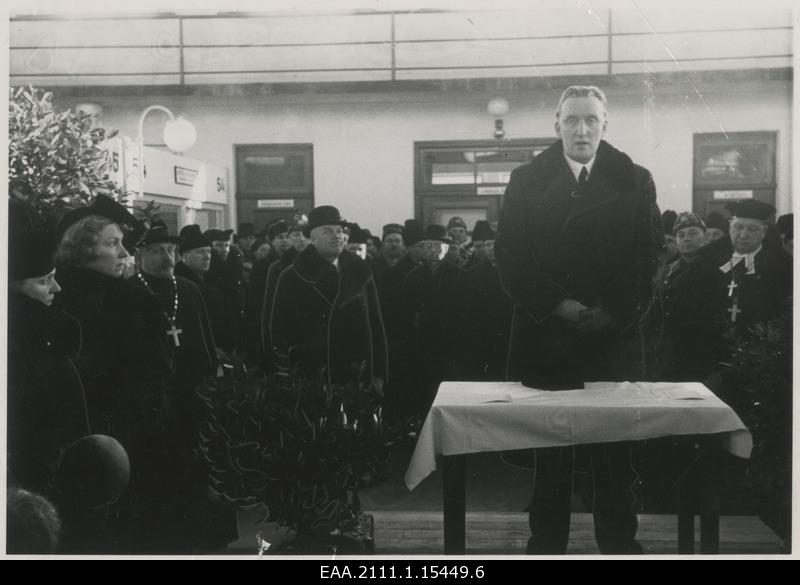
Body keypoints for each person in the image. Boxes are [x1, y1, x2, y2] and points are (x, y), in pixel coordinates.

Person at [495, 85, 663, 554]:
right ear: (557, 125)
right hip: (548, 335)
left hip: (611, 339)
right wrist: (556, 303)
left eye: (591, 119)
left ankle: (620, 548)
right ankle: (546, 548)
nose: (581, 129)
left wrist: (612, 312)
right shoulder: (526, 179)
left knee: (615, 460)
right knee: (551, 460)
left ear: (605, 124)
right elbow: (510, 256)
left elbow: (648, 259)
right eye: (572, 120)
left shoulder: (635, 179)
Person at [54, 194, 177, 552]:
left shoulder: (53, 293)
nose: (123, 253)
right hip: (128, 435)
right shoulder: (133, 301)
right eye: (112, 243)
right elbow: (158, 371)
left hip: (74, 435)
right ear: (82, 248)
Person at [7, 219, 90, 497]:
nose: (57, 287)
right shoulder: (27, 338)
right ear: (13, 286)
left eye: (54, 276)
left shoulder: (49, 330)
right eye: (45, 280)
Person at [270, 205, 388, 389]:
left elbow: (376, 325)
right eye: (328, 231)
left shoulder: (361, 272)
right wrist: (287, 375)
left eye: (340, 231)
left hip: (357, 373)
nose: (337, 236)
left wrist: (379, 373)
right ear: (313, 238)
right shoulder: (292, 276)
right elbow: (280, 330)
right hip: (312, 375)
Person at [643, 212, 728, 382]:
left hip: (696, 353)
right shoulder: (668, 270)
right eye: (680, 235)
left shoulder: (714, 270)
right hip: (663, 353)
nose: (686, 239)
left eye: (693, 233)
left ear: (704, 237)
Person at [403, 225, 465, 415]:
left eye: (438, 246)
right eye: (428, 246)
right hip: (422, 340)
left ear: (447, 248)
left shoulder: (460, 275)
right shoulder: (412, 277)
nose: (432, 250)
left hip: (451, 340)